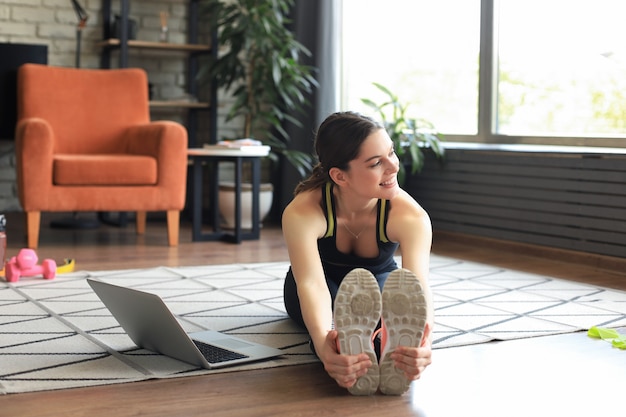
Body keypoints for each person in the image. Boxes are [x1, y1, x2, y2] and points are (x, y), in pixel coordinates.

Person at [282, 111, 434, 396]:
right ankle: (340, 350)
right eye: (376, 163)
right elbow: (311, 283)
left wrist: (424, 342)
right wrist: (321, 342)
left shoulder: (410, 216)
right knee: (334, 314)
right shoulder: (303, 211)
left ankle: (389, 352)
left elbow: (418, 284)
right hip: (321, 280)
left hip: (379, 279)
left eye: (391, 153)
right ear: (340, 176)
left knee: (395, 300)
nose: (393, 167)